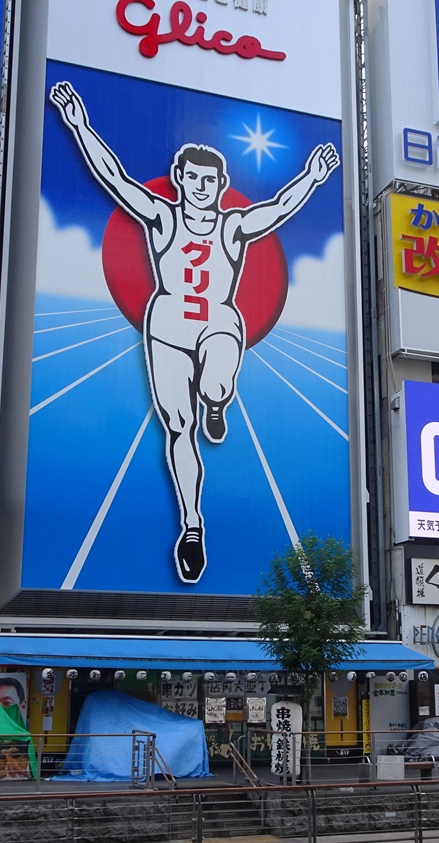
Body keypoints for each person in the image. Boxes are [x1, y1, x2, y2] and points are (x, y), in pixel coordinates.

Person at [50, 80, 339, 583]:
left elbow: (275, 210)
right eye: (194, 177)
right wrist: (80, 127)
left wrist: (311, 179)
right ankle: (191, 525)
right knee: (178, 429)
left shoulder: (231, 227)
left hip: (219, 321)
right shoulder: (161, 219)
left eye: (211, 179)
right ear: (181, 180)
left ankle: (218, 400)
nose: (202, 186)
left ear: (221, 185)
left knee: (216, 382)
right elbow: (115, 179)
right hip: (165, 326)